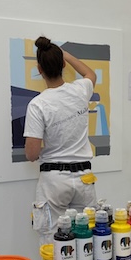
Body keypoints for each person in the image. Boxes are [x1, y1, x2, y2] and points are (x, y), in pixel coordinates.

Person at [24, 36, 98, 244]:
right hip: (84, 178)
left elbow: (31, 154)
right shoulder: (80, 90)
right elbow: (90, 74)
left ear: (39, 69)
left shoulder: (38, 104)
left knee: (53, 242)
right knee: (86, 240)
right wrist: (65, 54)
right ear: (63, 64)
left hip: (54, 181)